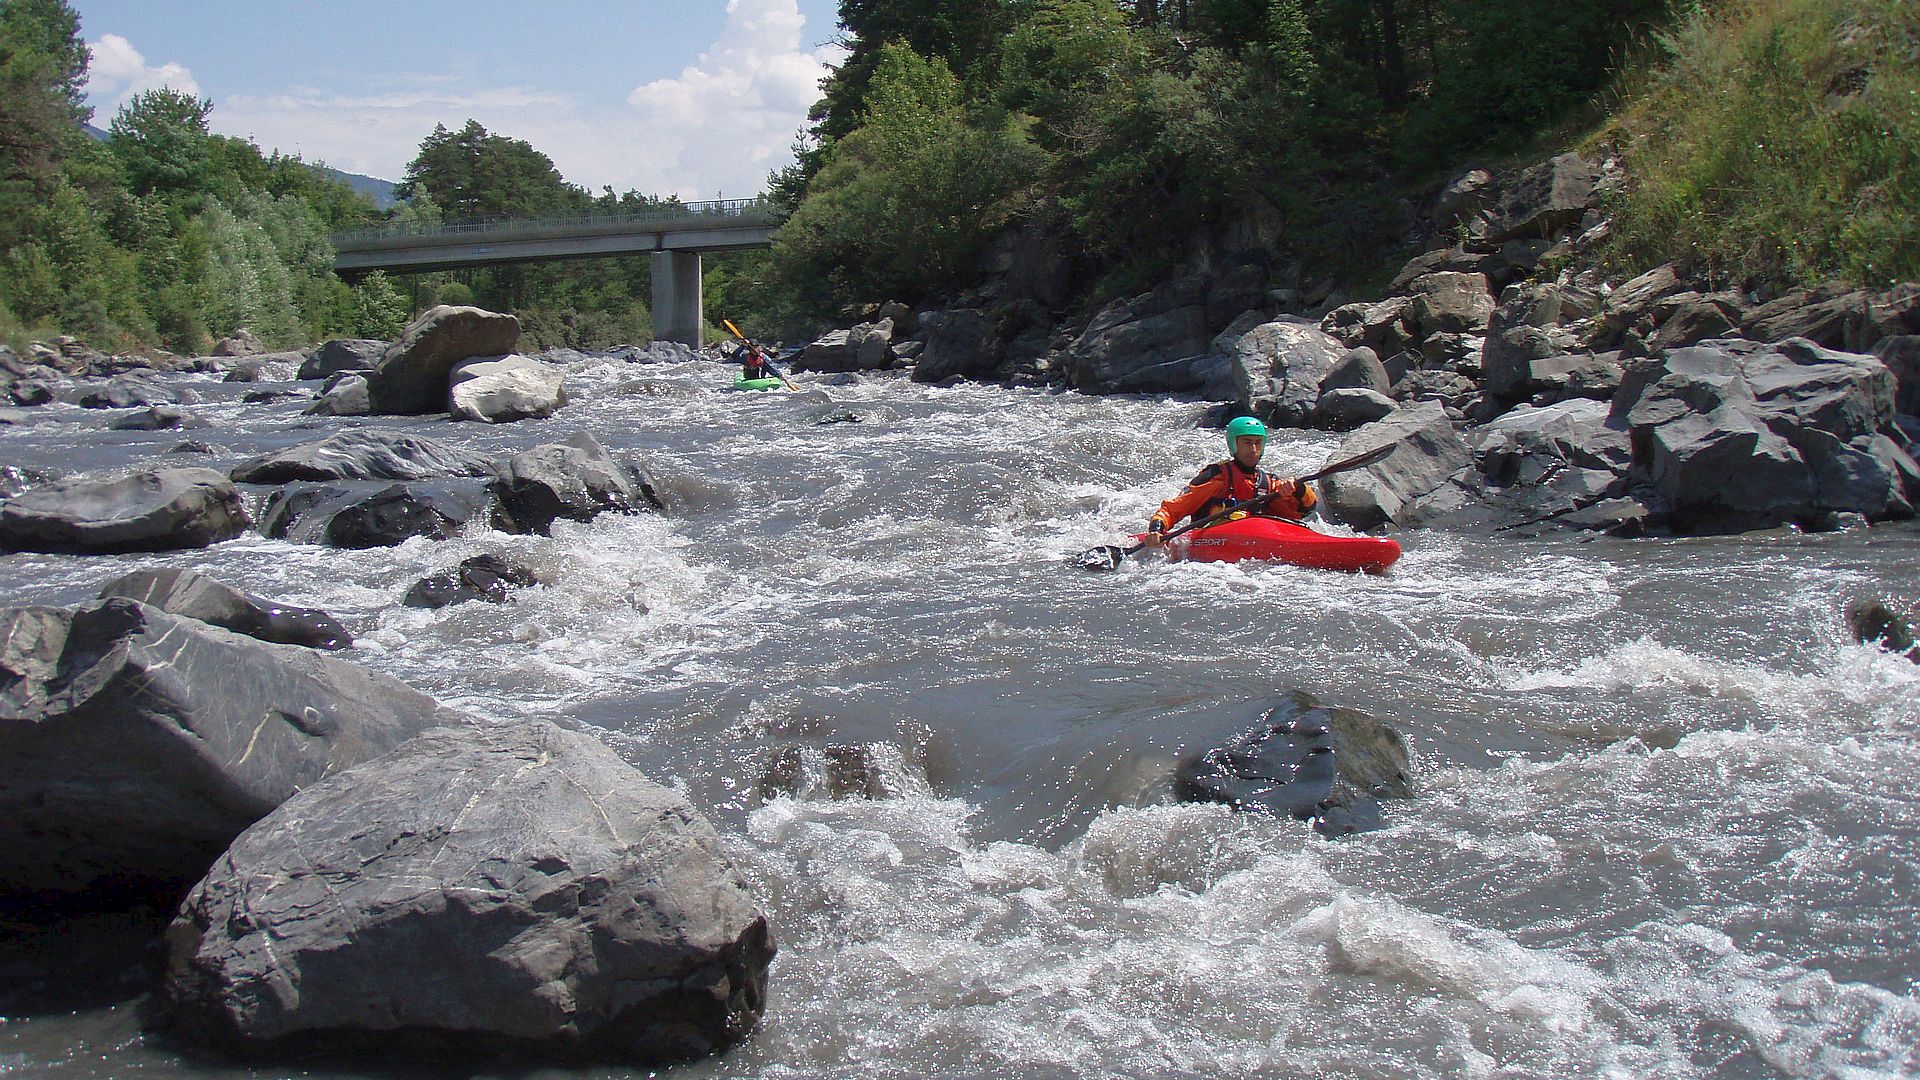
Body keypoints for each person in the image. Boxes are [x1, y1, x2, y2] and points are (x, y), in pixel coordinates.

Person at [1144, 415, 1317, 546]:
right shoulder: (1216, 475)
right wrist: (1157, 529)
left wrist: (1299, 489)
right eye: (1247, 443)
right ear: (1234, 445)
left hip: (1255, 541)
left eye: (1258, 443)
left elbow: (1305, 510)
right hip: (1211, 541)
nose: (1253, 449)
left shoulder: (1268, 483)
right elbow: (1174, 508)